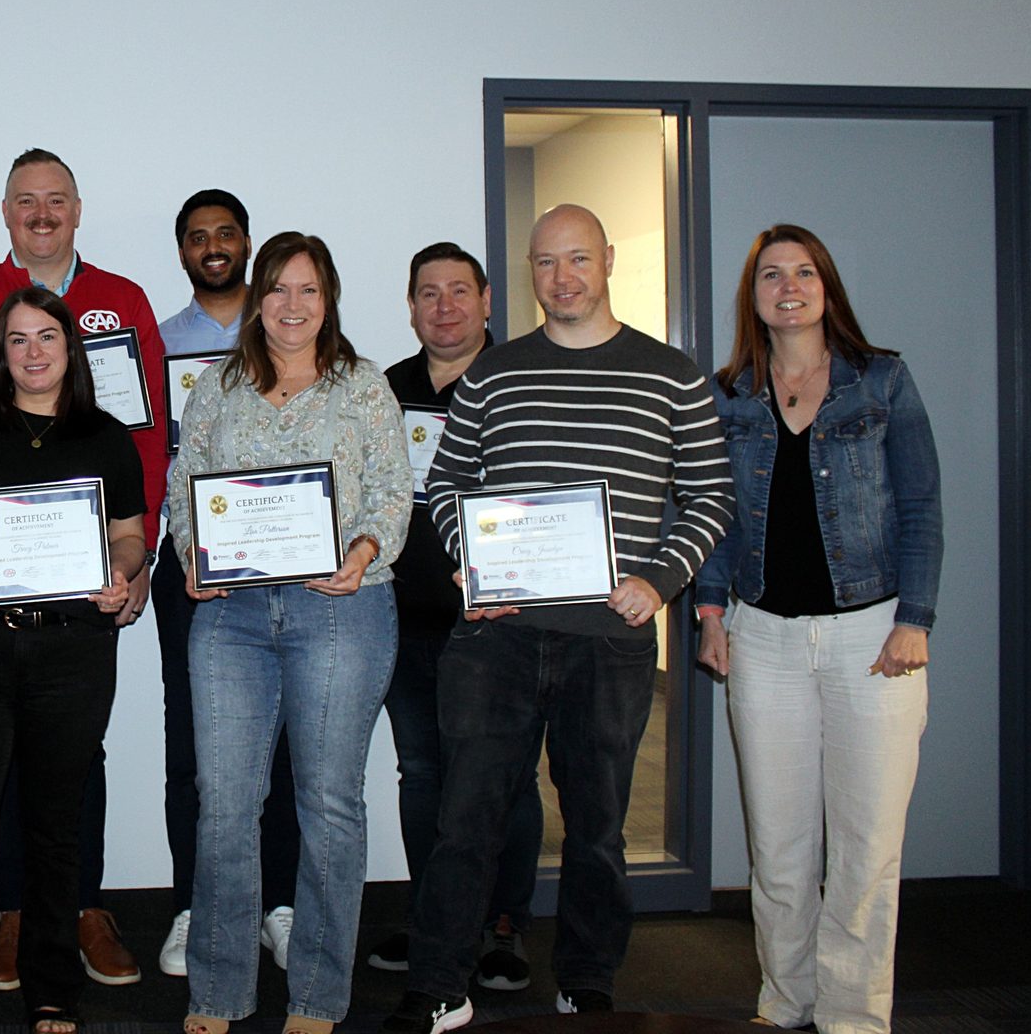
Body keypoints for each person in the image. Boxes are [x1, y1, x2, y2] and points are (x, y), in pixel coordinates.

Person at [386, 205, 735, 1034]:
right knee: (464, 817)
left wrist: (659, 579)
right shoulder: (494, 374)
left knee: (598, 830)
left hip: (609, 643)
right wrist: (473, 565)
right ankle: (439, 984)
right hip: (496, 636)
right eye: (546, 263)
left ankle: (587, 981)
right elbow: (447, 488)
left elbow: (713, 494)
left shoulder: (672, 374)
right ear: (529, 273)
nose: (563, 277)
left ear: (608, 259)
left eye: (578, 258)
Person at [0, 147, 166, 986]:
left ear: (79, 208)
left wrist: (135, 563)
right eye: (27, 200)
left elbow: (147, 439)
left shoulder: (124, 302)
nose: (43, 212)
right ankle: (13, 913)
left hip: (85, 588)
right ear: (6, 211)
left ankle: (80, 904)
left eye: (57, 199)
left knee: (74, 756)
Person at [694, 225, 940, 1034]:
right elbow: (715, 514)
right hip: (762, 637)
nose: (788, 286)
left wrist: (915, 620)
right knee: (781, 850)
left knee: (866, 852)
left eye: (804, 272)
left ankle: (854, 1016)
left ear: (826, 288)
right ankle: (786, 999)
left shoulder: (882, 382)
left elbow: (922, 508)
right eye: (772, 274)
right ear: (753, 294)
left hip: (872, 639)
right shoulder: (729, 392)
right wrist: (709, 607)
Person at [169, 232, 410, 1034]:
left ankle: (315, 997)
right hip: (231, 618)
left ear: (329, 297)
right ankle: (219, 990)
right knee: (226, 805)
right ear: (257, 298)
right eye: (277, 290)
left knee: (329, 803)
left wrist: (365, 549)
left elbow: (392, 492)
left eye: (308, 290)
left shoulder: (363, 386)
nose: (292, 306)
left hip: (342, 608)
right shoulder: (217, 388)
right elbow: (182, 488)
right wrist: (191, 556)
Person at [366, 243, 542, 991]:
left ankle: (504, 922)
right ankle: (436, 916)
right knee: (423, 773)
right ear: (411, 307)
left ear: (487, 300)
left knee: (505, 776)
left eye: (459, 291)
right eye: (428, 294)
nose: (444, 306)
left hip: (498, 617)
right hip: (407, 618)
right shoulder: (384, 391)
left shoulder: (525, 381)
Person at [148, 190, 300, 978]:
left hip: (284, 558)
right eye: (197, 237)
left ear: (247, 243)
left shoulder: (286, 328)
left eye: (225, 233)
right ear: (182, 252)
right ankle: (193, 905)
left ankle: (278, 905)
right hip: (193, 566)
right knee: (192, 741)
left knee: (282, 739)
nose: (212, 246)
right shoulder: (158, 342)